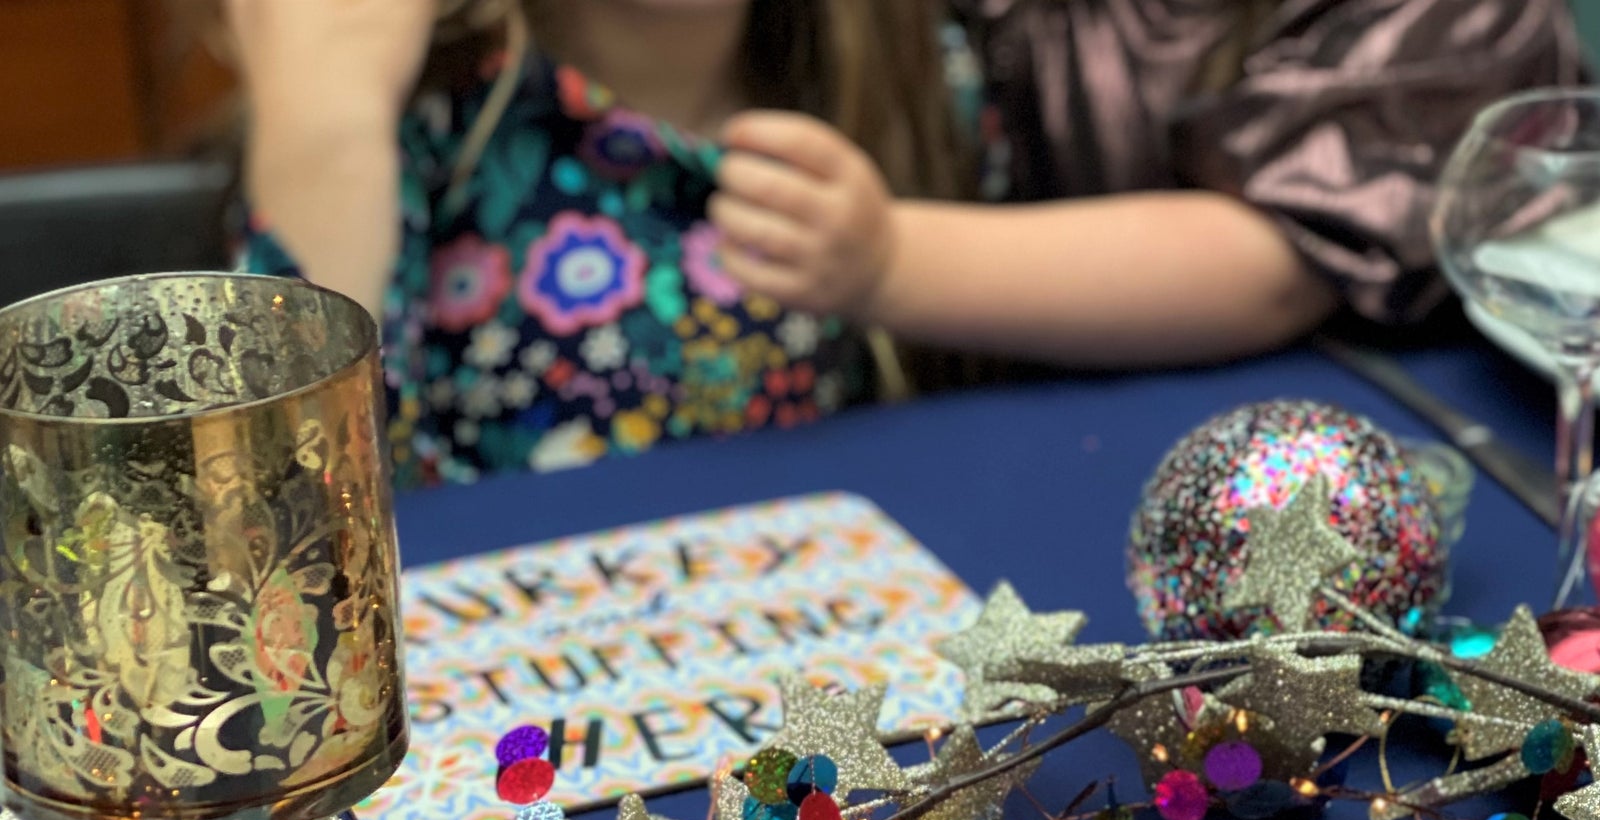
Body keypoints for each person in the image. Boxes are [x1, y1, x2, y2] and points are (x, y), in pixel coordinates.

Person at [225, 0, 1579, 487]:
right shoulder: (439, 114)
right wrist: (324, 114)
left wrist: (887, 255)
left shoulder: (911, 79)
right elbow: (263, 496)